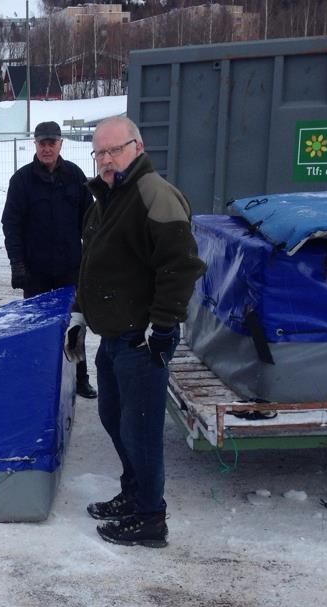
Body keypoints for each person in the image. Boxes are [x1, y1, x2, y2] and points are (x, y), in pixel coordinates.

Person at [65, 116, 205, 548]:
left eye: (115, 150)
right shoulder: (106, 198)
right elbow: (95, 269)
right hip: (113, 337)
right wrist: (79, 315)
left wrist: (163, 326)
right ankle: (134, 493)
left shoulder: (153, 194)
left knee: (141, 431)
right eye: (100, 153)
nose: (107, 160)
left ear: (138, 147)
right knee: (114, 418)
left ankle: (150, 518)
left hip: (143, 340)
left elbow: (180, 266)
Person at [2, 120, 98, 399]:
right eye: (42, 143)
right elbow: (11, 224)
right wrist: (17, 264)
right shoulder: (21, 181)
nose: (47, 148)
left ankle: (80, 378)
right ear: (35, 145)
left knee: (75, 325)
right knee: (38, 329)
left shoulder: (75, 176)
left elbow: (90, 221)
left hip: (71, 268)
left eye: (51, 143)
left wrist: (92, 260)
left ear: (60, 144)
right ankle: (40, 381)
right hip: (36, 272)